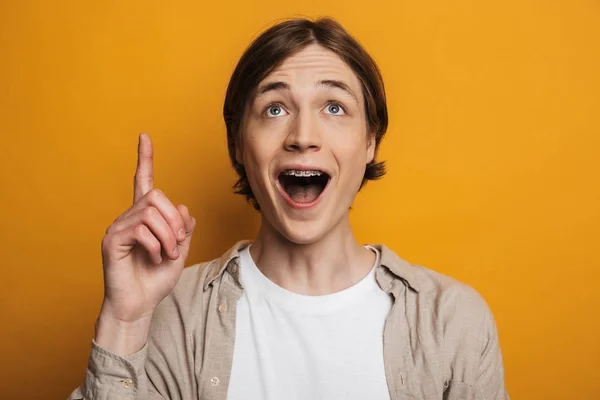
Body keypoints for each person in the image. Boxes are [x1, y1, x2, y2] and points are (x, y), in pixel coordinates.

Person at [69, 17, 508, 400]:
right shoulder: (173, 315)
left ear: (370, 142)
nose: (303, 135)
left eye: (334, 107)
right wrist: (125, 321)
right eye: (274, 108)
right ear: (239, 144)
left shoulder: (452, 322)